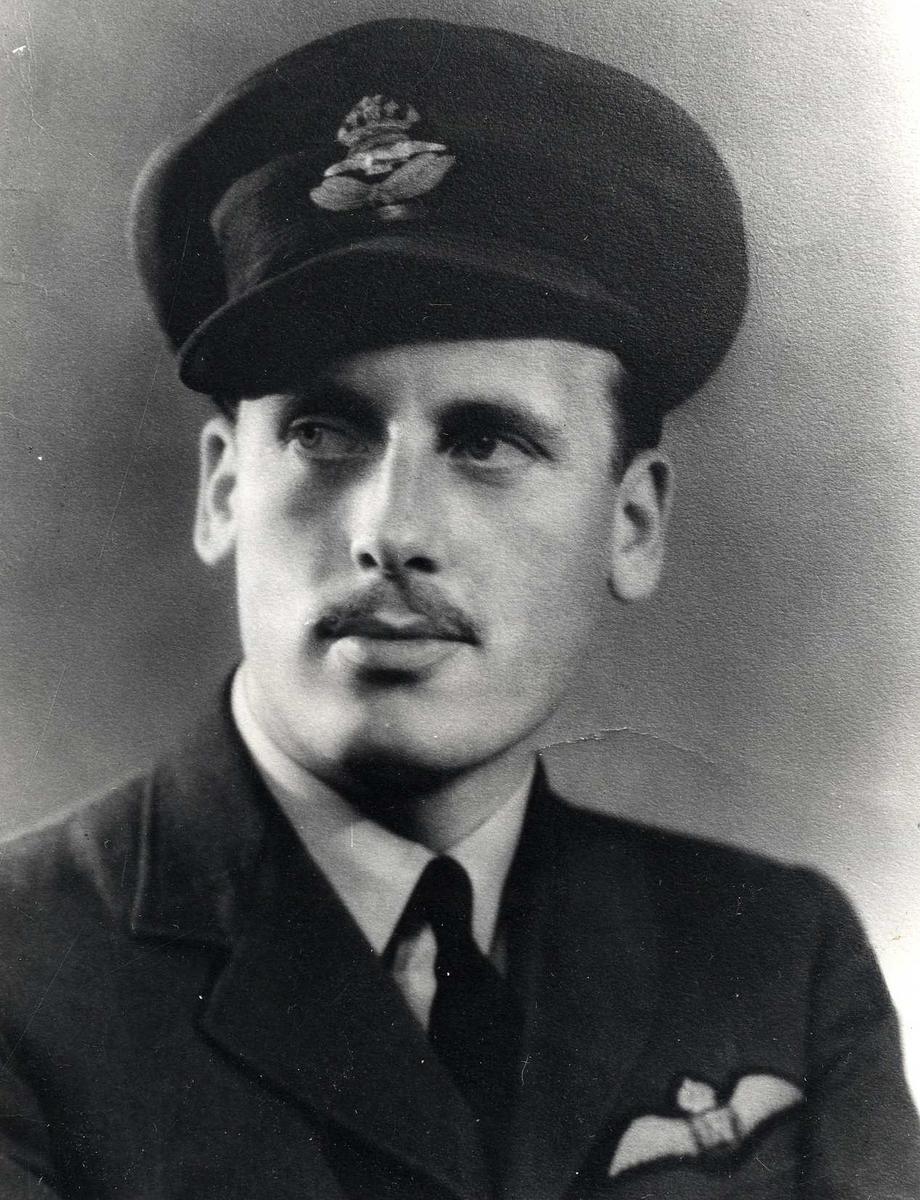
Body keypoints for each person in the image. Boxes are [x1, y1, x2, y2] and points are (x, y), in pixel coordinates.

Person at [0, 16, 916, 1200]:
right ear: (224, 490)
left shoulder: (777, 958)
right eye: (323, 432)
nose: (391, 531)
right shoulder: (21, 979)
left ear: (630, 524)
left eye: (485, 442)